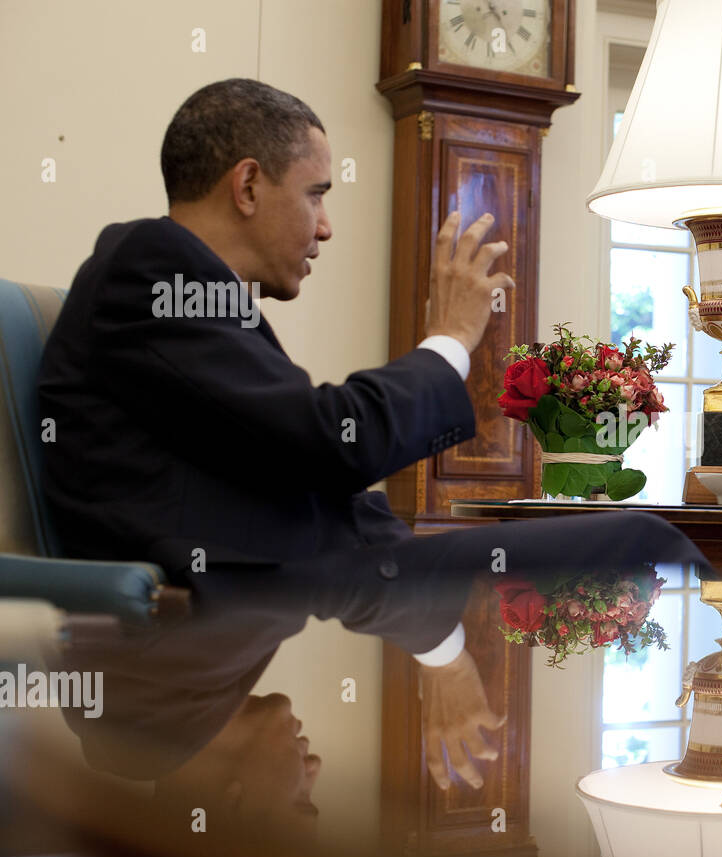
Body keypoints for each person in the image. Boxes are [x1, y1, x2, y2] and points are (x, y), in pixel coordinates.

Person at [37, 78, 514, 577]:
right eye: (315, 195)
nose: (325, 226)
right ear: (247, 187)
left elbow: (302, 474)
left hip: (277, 601)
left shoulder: (192, 288)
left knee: (563, 548)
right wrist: (450, 340)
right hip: (192, 630)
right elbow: (331, 444)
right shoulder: (152, 268)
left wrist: (432, 592)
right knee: (581, 548)